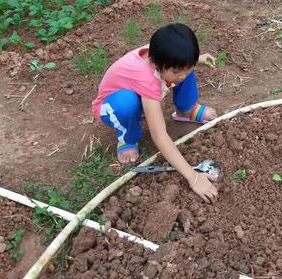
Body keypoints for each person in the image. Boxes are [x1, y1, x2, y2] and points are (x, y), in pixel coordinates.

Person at [92, 23, 218, 203]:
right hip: (110, 106)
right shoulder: (147, 79)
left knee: (182, 69)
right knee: (126, 104)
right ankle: (126, 137)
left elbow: (179, 63)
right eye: (175, 70)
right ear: (158, 64)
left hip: (142, 91)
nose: (182, 75)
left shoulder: (163, 55)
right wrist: (194, 177)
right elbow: (159, 136)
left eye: (187, 67)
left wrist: (195, 60)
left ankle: (186, 109)